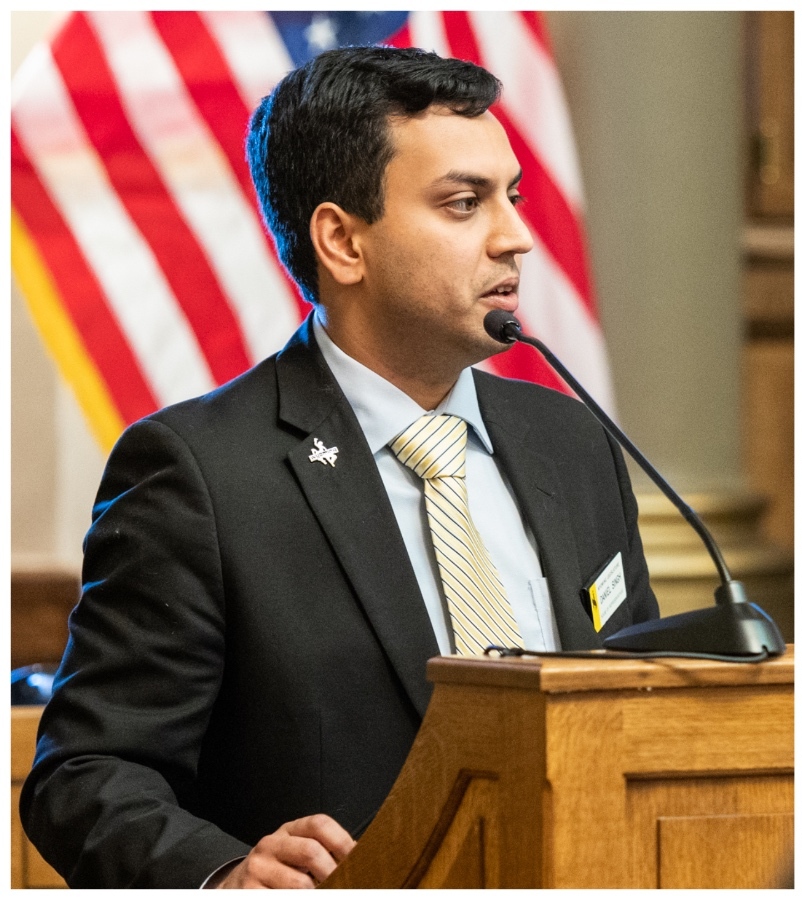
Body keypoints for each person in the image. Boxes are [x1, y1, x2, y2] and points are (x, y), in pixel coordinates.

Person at [21, 47, 659, 888]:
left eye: (513, 197)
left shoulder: (572, 444)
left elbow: (646, 712)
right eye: (464, 203)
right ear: (342, 241)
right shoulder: (199, 474)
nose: (517, 237)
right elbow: (86, 775)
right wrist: (223, 873)